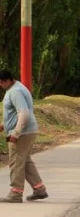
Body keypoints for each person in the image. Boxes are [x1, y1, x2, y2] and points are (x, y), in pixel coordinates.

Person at [0, 70, 48, 203]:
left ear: (6, 80)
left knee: (16, 162)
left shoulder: (15, 92)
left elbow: (23, 112)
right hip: (27, 131)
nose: (0, 85)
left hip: (22, 133)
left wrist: (16, 132)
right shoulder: (18, 87)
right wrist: (4, 124)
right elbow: (16, 112)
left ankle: (15, 193)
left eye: (1, 82)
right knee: (24, 161)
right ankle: (39, 189)